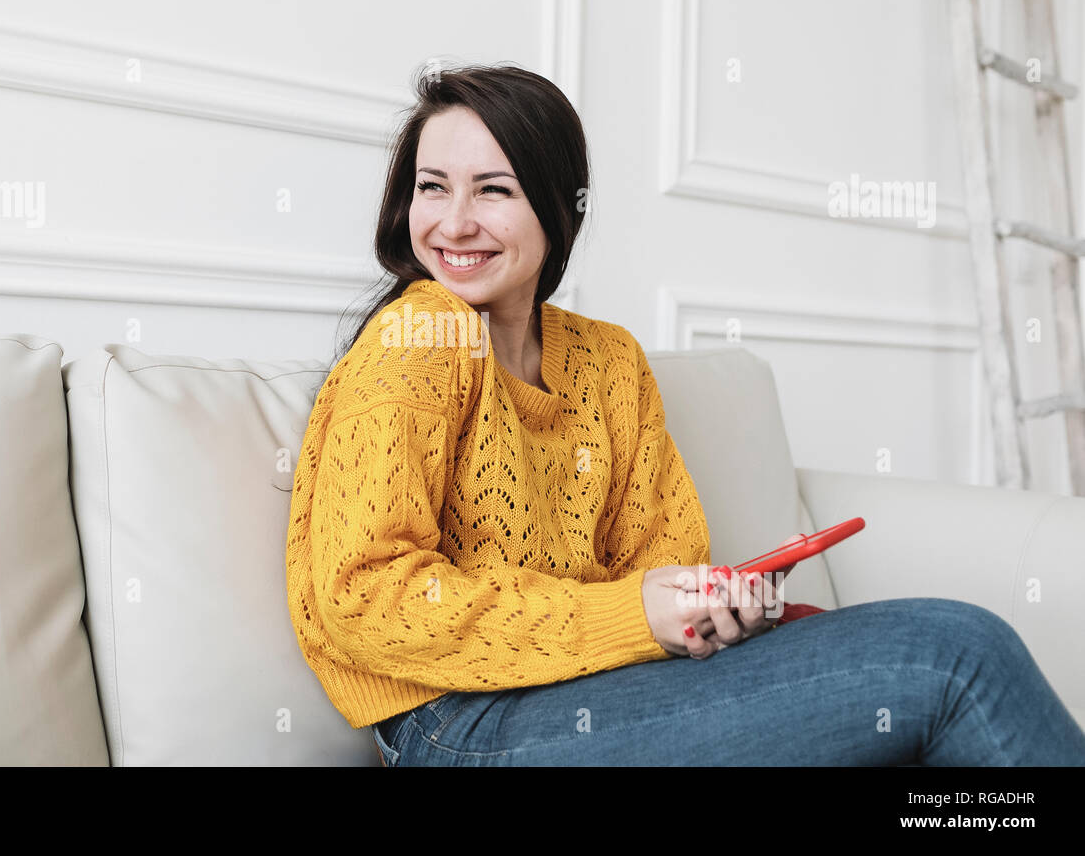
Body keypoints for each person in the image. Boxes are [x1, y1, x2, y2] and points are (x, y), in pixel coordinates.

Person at [283, 61, 1085, 766]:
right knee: (955, 655)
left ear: (561, 209)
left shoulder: (607, 360)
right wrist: (634, 612)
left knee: (935, 678)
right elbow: (364, 594)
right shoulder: (419, 335)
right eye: (433, 188)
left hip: (607, 689)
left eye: (494, 190)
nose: (453, 223)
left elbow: (659, 560)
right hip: (460, 724)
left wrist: (708, 614)